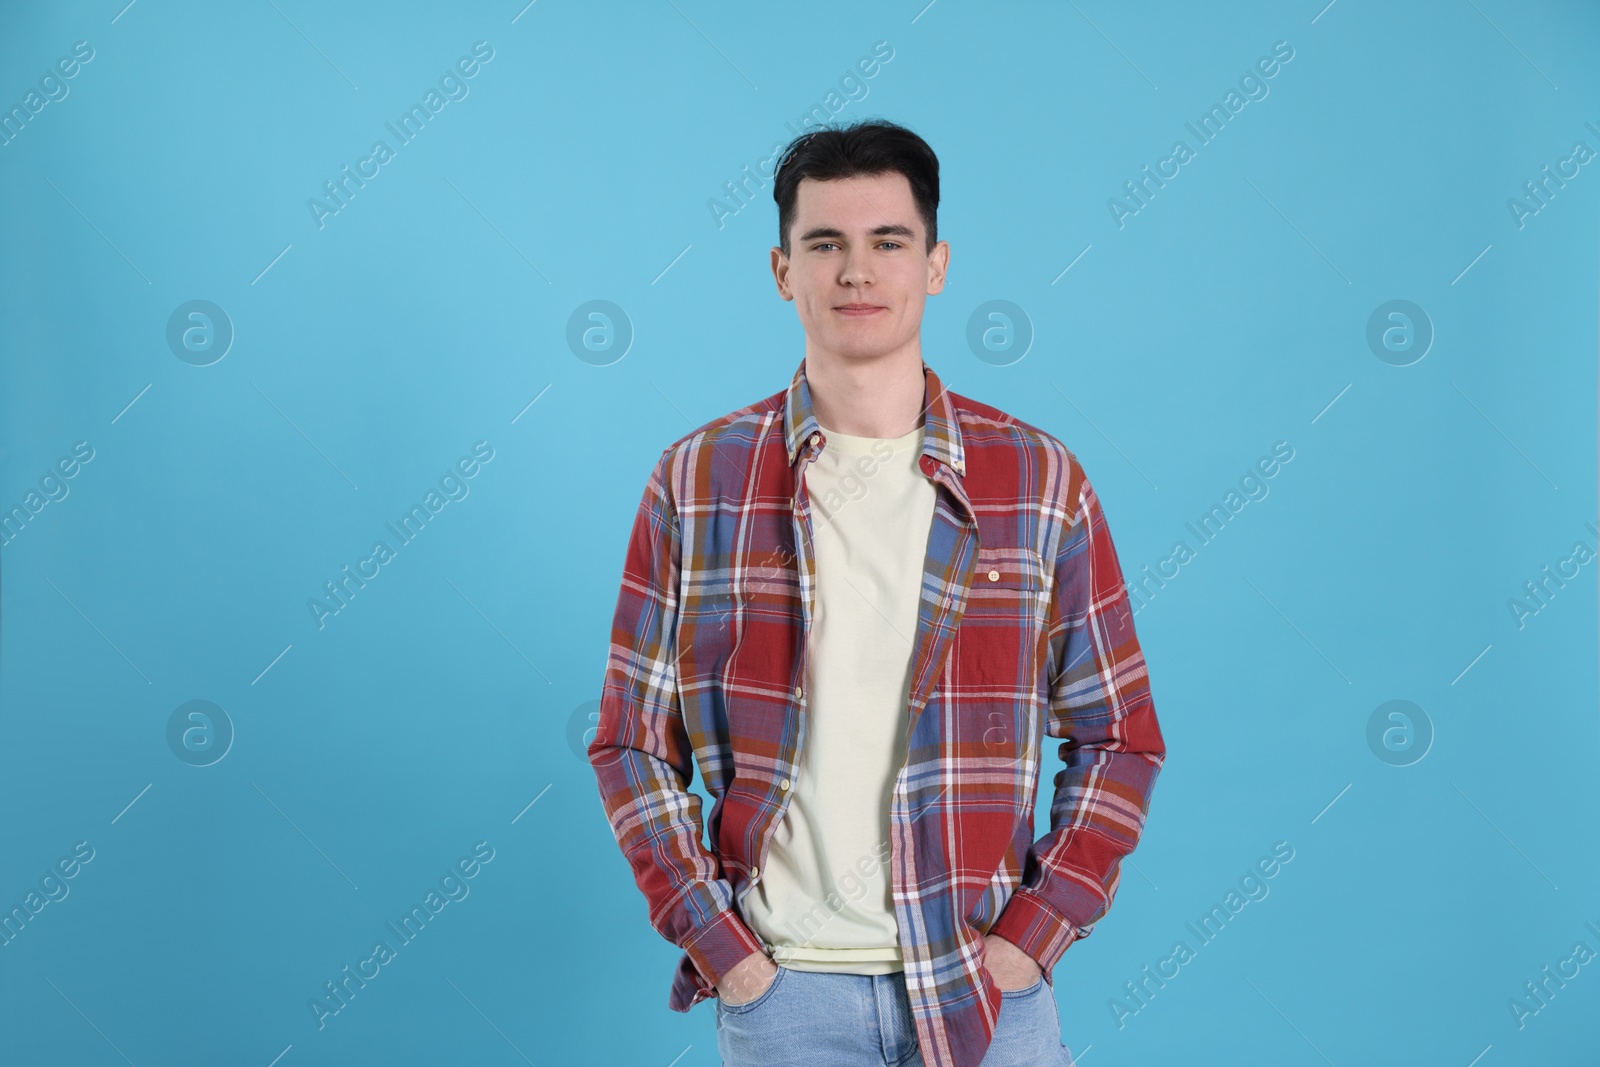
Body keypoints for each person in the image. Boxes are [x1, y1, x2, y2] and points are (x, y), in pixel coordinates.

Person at [588, 119, 1165, 1067]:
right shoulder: (697, 481)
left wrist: (1034, 933)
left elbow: (1121, 735)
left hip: (986, 994)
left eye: (887, 241)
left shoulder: (1037, 479)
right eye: (826, 244)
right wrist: (724, 952)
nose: (857, 271)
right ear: (783, 271)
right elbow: (629, 741)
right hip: (787, 999)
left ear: (934, 265)